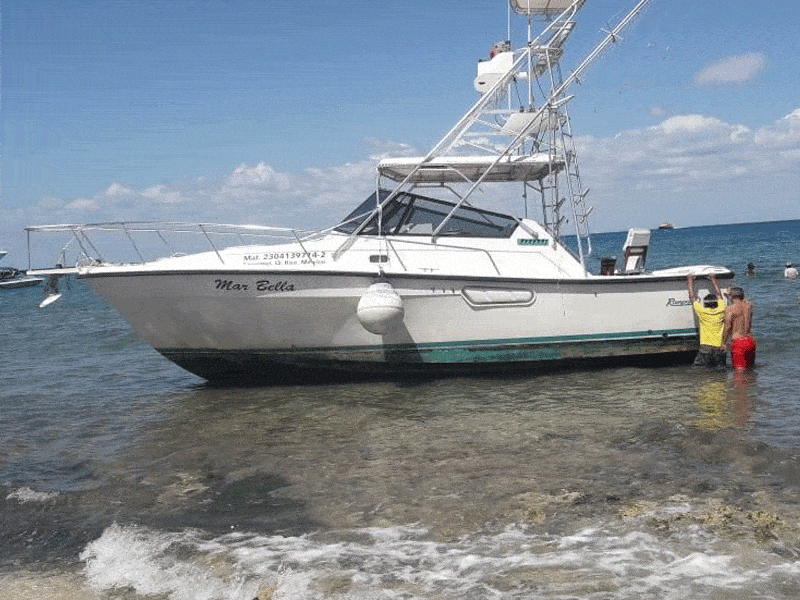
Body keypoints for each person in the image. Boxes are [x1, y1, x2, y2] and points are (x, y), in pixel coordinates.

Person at [687, 274, 726, 368]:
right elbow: (719, 294)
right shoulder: (721, 308)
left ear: (705, 304)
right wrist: (713, 279)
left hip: (706, 346)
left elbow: (691, 296)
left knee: (702, 369)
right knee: (720, 369)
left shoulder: (702, 311)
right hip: (719, 346)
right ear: (716, 303)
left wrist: (690, 280)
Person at [723, 286, 756, 370]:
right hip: (750, 341)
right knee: (750, 369)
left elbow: (728, 326)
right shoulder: (748, 306)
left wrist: (724, 342)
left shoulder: (730, 309)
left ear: (732, 296)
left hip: (738, 342)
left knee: (739, 373)